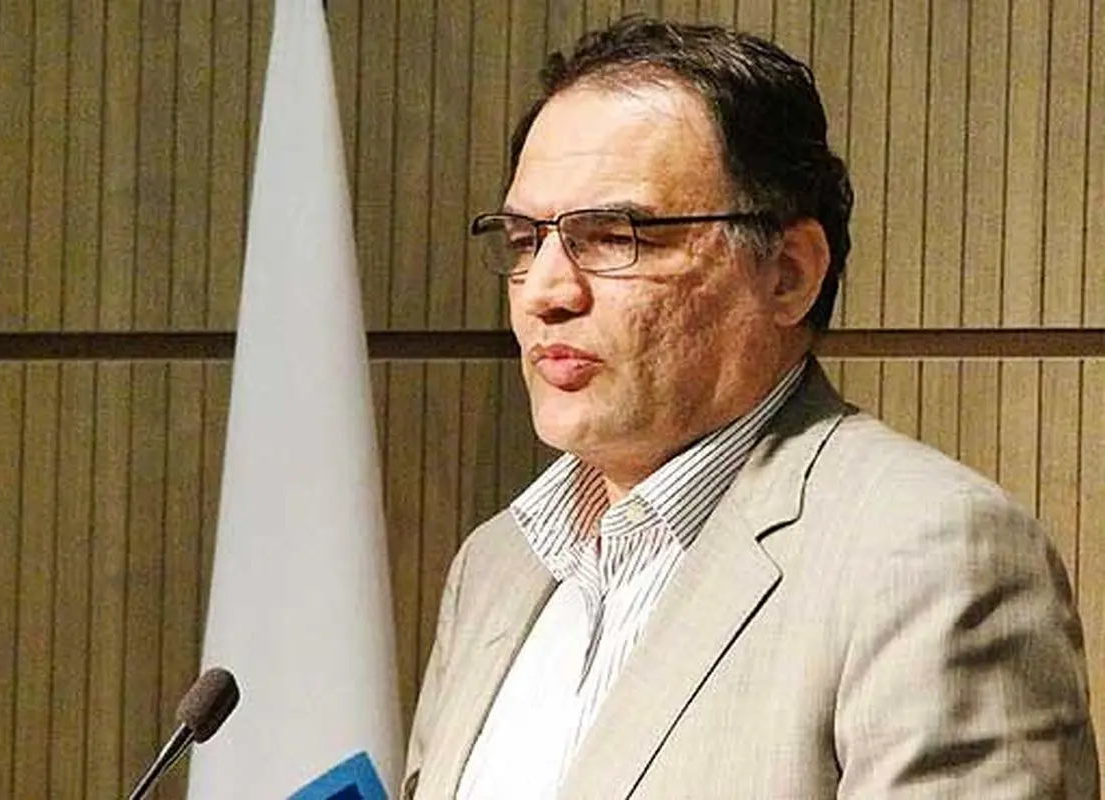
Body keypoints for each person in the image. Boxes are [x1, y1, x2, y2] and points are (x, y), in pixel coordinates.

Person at [402, 16, 1098, 799]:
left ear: (788, 273)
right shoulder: (496, 564)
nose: (545, 292)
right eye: (526, 241)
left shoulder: (928, 558)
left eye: (614, 236)